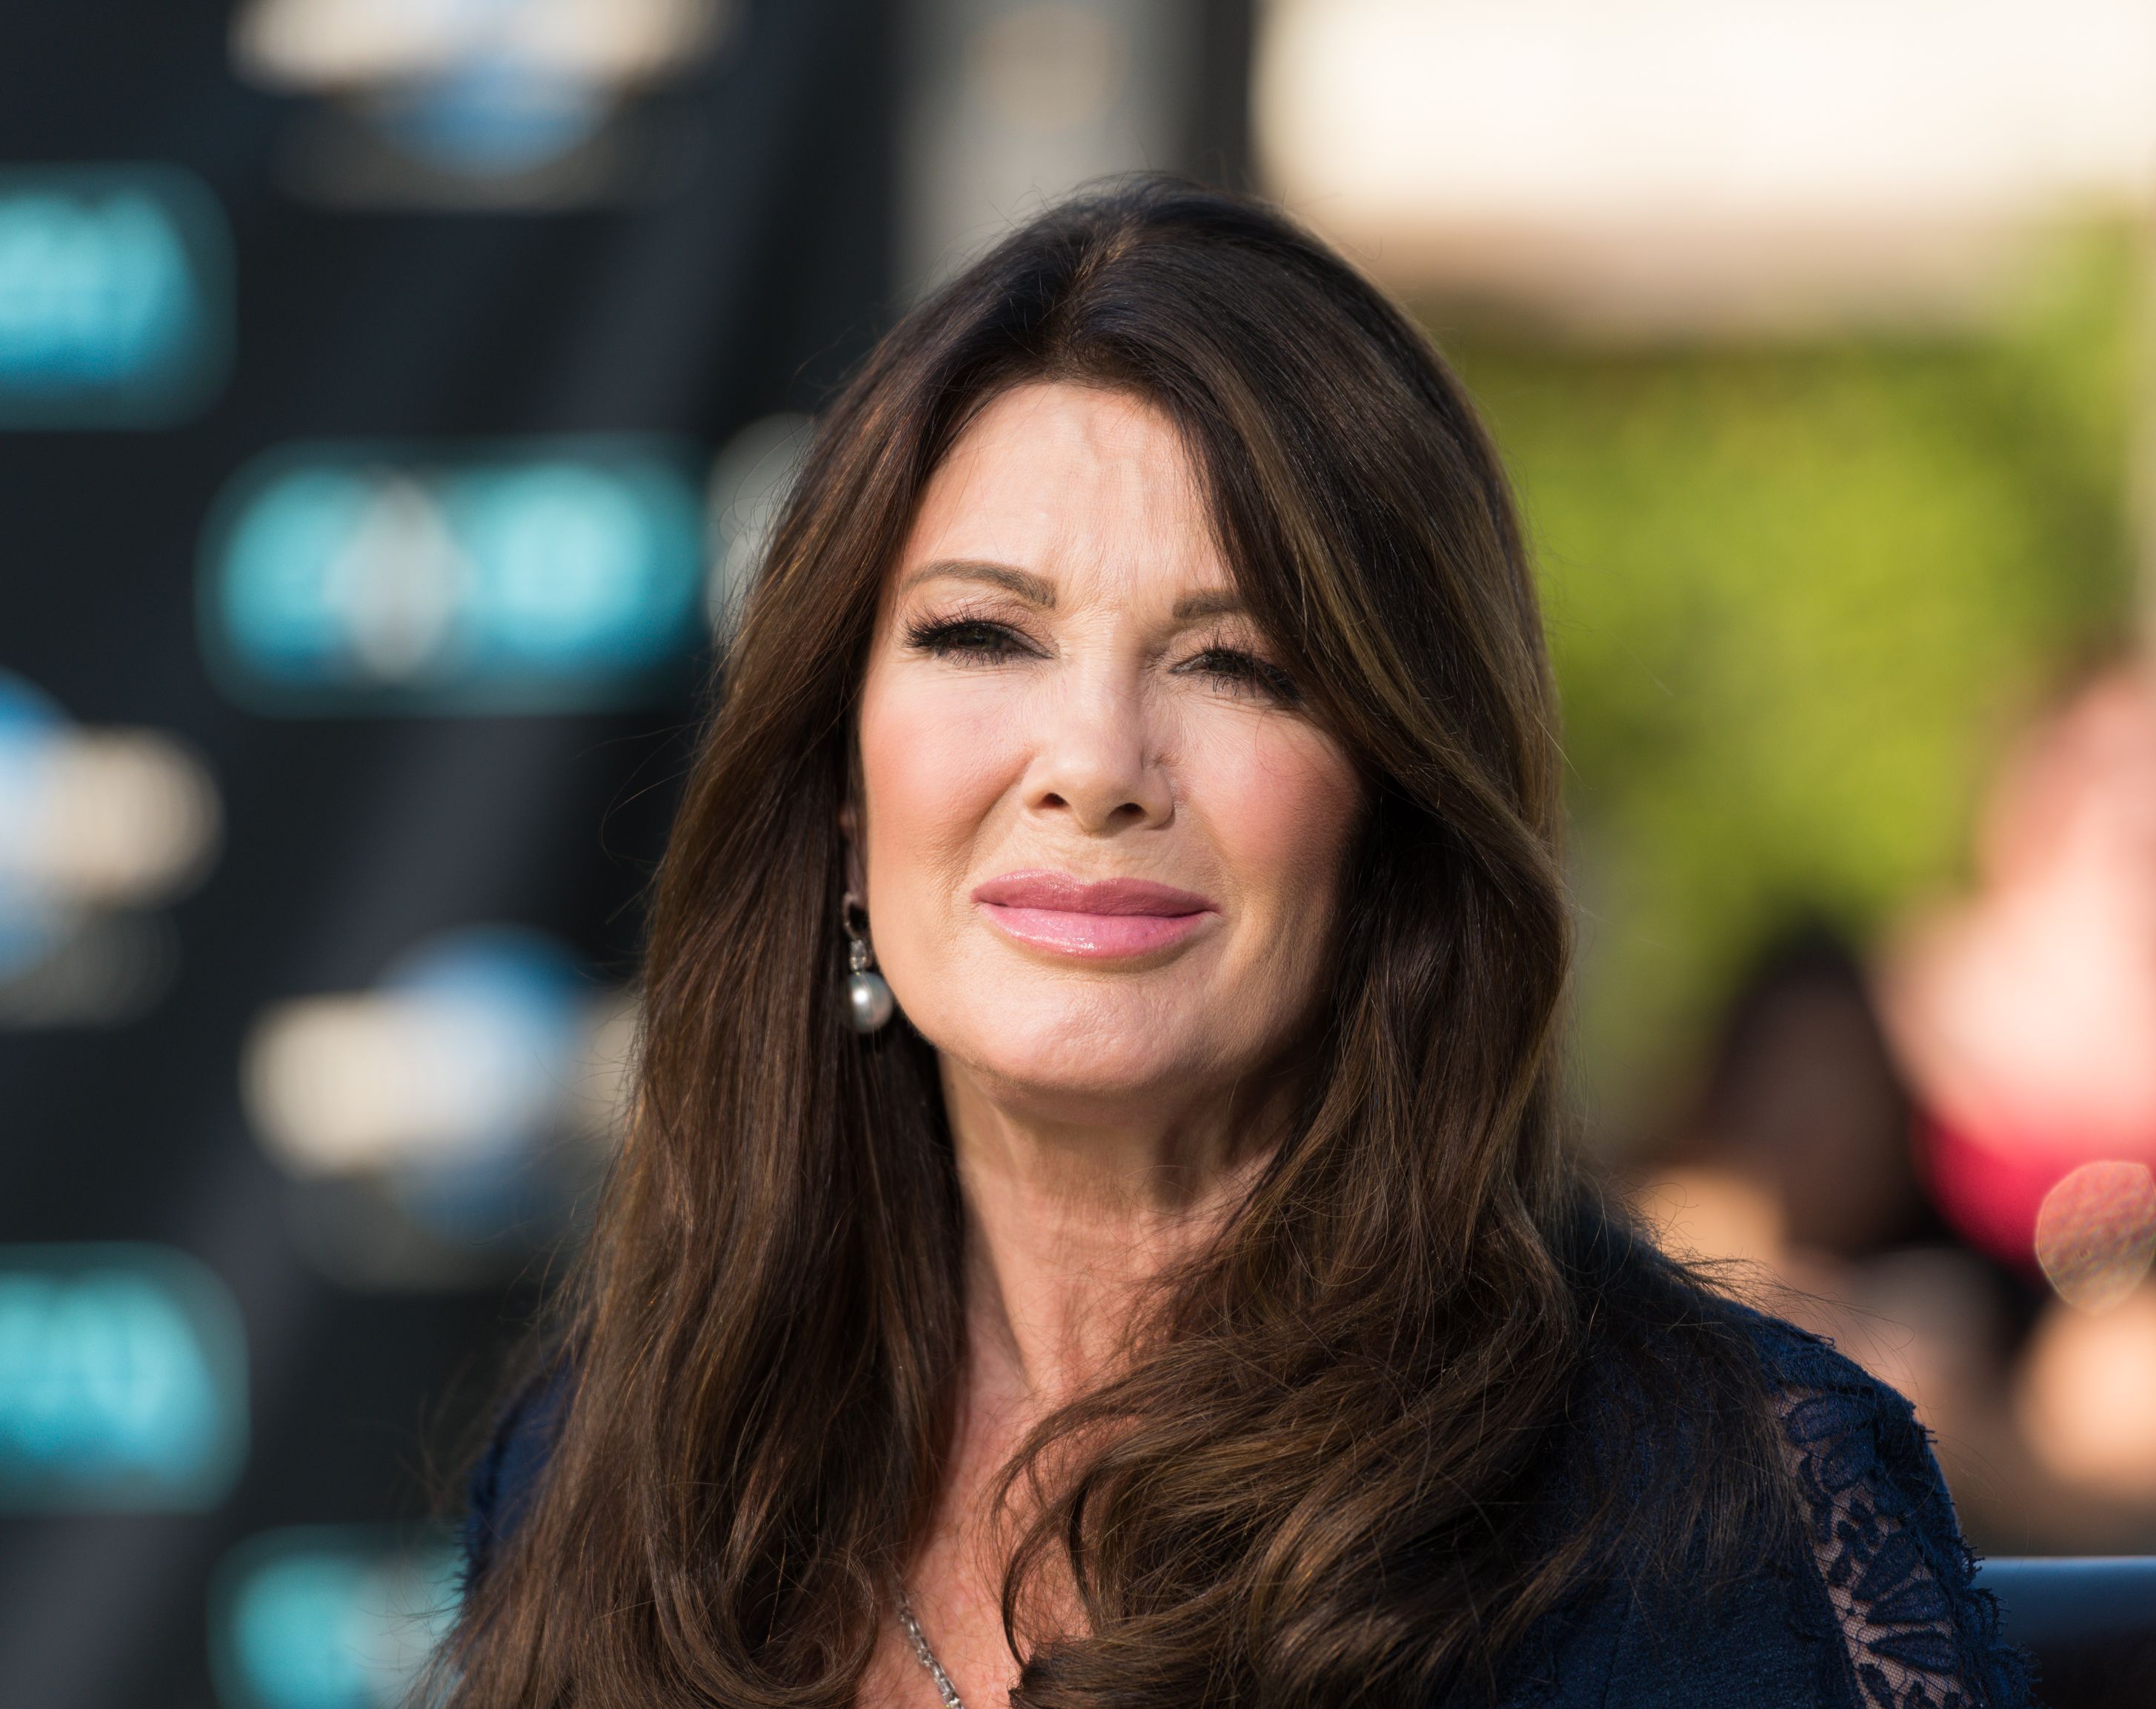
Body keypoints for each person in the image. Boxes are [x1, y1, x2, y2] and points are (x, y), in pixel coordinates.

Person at [439, 180, 2029, 1709]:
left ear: (1398, 812)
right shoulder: (602, 1483)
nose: (1094, 760)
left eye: (1238, 660)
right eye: (982, 634)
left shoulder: (1723, 1511)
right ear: (839, 791)